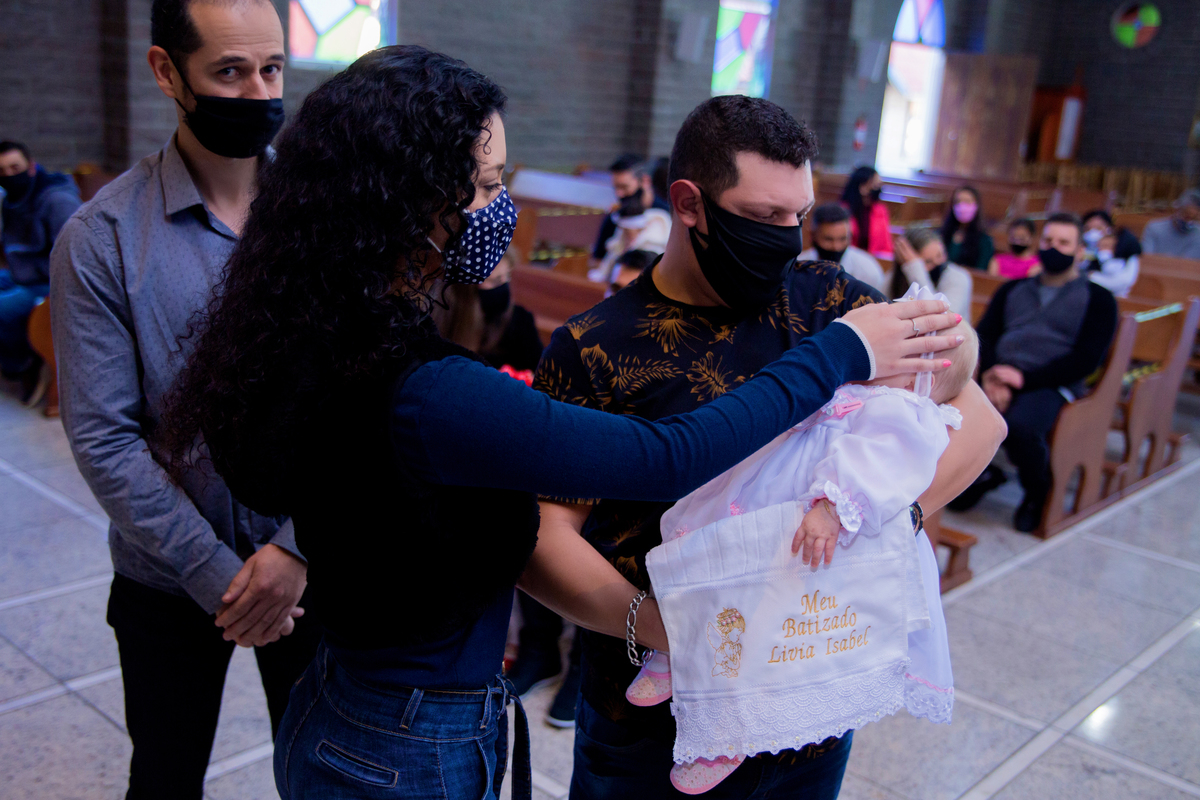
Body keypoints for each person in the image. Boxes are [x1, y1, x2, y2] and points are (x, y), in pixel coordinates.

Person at [153, 47, 963, 800]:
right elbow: (663, 457)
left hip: (350, 691)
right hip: (406, 733)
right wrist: (836, 356)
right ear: (409, 202)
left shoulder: (324, 333)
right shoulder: (431, 392)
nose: (501, 207)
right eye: (486, 186)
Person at [526, 95, 1005, 800]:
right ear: (689, 203)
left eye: (798, 215)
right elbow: (541, 535)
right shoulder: (596, 346)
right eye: (762, 217)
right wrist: (669, 627)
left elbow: (979, 416)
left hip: (809, 703)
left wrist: (877, 521)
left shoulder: (833, 302)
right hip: (658, 709)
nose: (787, 235)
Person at [48, 2, 320, 797]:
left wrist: (296, 550)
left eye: (272, 70)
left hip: (310, 562)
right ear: (168, 72)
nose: (258, 92)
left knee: (324, 774)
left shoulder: (320, 217)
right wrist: (227, 581)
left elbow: (361, 396)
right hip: (168, 572)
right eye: (230, 72)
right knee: (165, 776)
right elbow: (104, 439)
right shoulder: (101, 239)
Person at [629, 319, 979, 794]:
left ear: (923, 378)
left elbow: (884, 461)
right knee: (699, 553)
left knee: (767, 625)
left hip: (808, 529)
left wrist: (834, 506)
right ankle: (672, 651)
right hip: (755, 494)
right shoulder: (856, 383)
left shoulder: (903, 410)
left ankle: (731, 735)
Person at [962, 213, 1118, 532]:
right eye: (1048, 241)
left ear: (1079, 251)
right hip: (998, 376)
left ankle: (1037, 492)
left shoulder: (1099, 300)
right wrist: (991, 374)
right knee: (956, 412)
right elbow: (985, 335)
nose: (1054, 248)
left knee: (1021, 425)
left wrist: (1024, 379)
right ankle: (979, 474)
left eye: (1064, 243)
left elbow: (1086, 360)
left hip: (1051, 383)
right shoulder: (1013, 289)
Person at [0, 140, 80, 403]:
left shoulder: (56, 201)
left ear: (31, 167)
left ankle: (22, 361)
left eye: (16, 168)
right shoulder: (12, 200)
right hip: (22, 274)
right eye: (3, 171)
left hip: (49, 282)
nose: (10, 176)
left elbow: (76, 257)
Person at [435, 248, 543, 372]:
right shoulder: (443, 320)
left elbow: (539, 373)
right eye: (496, 281)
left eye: (507, 277)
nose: (504, 286)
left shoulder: (520, 320)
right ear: (468, 288)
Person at [591, 153, 672, 265]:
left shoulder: (666, 215)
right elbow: (597, 260)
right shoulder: (615, 216)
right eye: (616, 187)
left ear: (644, 181)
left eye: (624, 187)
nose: (619, 194)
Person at [798, 202, 887, 293]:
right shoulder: (799, 267)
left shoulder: (867, 272)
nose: (836, 247)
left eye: (842, 239)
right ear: (812, 236)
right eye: (828, 239)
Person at [891, 224, 974, 319]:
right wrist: (913, 267)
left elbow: (942, 316)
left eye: (940, 255)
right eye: (928, 262)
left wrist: (916, 270)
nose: (938, 263)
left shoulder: (959, 278)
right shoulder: (903, 273)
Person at [1081, 209, 1141, 298]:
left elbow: (1122, 282)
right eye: (1088, 229)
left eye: (1099, 228)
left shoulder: (1128, 253)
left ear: (1110, 229)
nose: (1092, 233)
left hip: (1114, 298)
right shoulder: (1080, 249)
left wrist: (1092, 276)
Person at [840, 165, 892, 259]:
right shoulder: (844, 209)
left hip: (872, 259)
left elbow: (885, 243)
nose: (867, 190)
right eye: (866, 184)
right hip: (848, 258)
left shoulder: (880, 210)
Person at [941, 186, 994, 271]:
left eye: (967, 201)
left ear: (977, 206)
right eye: (958, 201)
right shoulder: (942, 233)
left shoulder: (985, 240)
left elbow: (980, 271)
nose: (962, 206)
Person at [1141, 189, 1200, 259]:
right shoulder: (1154, 228)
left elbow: (1189, 262)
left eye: (1193, 218)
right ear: (1177, 209)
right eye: (1186, 215)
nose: (1188, 221)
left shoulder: (1198, 235)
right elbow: (1146, 257)